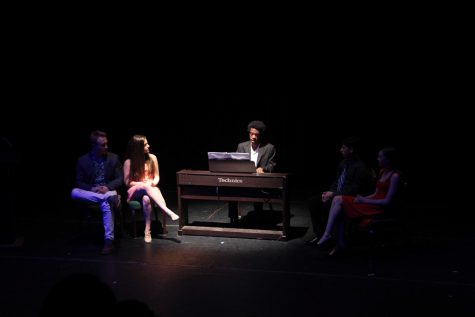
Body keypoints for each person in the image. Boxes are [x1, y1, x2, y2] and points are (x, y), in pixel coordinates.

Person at [316, 146, 403, 256]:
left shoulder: (395, 176)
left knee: (338, 200)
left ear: (389, 159)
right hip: (372, 203)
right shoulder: (382, 172)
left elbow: (387, 202)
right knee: (338, 202)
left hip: (380, 208)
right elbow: (376, 193)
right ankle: (340, 243)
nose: (378, 159)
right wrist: (364, 198)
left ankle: (329, 235)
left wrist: (364, 201)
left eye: (381, 157)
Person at [306, 136, 374, 245]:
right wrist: (328, 192)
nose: (340, 150)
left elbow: (354, 190)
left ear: (351, 150)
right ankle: (319, 234)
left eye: (343, 148)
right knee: (313, 201)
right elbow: (337, 181)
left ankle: (328, 235)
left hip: (348, 198)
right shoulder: (343, 163)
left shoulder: (360, 167)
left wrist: (333, 194)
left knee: (326, 206)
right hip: (336, 194)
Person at [71, 130, 123, 255]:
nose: (106, 147)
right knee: (74, 192)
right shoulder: (82, 160)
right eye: (103, 145)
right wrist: (92, 189)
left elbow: (120, 179)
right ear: (94, 146)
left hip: (108, 191)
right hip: (93, 193)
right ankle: (108, 198)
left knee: (106, 204)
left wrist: (108, 187)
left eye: (107, 144)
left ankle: (108, 242)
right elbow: (79, 182)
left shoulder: (113, 158)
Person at [123, 134, 179, 243]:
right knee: (145, 186)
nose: (148, 146)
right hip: (135, 191)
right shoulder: (128, 162)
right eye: (145, 144)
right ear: (138, 148)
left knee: (146, 199)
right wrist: (142, 184)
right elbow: (127, 183)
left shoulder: (152, 158)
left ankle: (147, 231)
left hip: (150, 189)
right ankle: (168, 211)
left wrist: (153, 182)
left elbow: (157, 176)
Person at [228, 120, 277, 223]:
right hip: (244, 180)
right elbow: (235, 162)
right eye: (251, 134)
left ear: (261, 135)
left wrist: (264, 169)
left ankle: (258, 217)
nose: (253, 137)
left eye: (256, 134)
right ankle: (233, 217)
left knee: (257, 187)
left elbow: (272, 165)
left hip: (260, 182)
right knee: (231, 187)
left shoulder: (269, 148)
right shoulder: (242, 146)